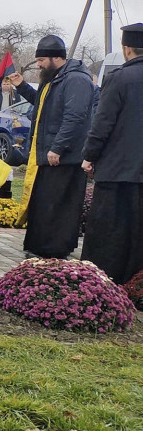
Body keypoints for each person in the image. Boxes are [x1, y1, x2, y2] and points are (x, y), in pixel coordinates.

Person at [8, 34, 93, 259]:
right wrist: (22, 86)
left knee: (59, 205)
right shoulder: (54, 78)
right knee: (44, 202)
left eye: (41, 60)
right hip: (48, 156)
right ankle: (39, 246)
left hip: (65, 158)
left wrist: (58, 147)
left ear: (56, 58)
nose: (38, 65)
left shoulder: (76, 80)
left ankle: (55, 249)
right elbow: (43, 104)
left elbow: (74, 117)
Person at [80, 23, 143, 284]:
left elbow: (102, 123)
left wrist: (89, 155)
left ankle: (103, 283)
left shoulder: (119, 78)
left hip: (117, 170)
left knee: (109, 231)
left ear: (126, 49)